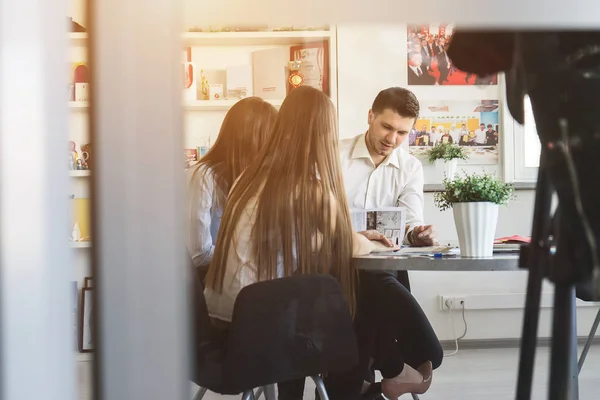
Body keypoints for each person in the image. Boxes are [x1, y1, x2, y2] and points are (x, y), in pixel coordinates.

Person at [336, 87, 443, 399]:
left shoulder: (409, 167)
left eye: (402, 133)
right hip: (338, 264)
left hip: (382, 269)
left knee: (373, 291)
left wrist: (417, 234)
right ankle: (402, 367)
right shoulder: (334, 155)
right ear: (370, 117)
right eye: (386, 127)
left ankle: (365, 386)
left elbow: (410, 222)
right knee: (369, 290)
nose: (392, 139)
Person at [186, 97, 278, 281]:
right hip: (207, 280)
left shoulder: (253, 178)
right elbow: (198, 254)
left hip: (238, 277)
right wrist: (247, 257)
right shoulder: (204, 177)